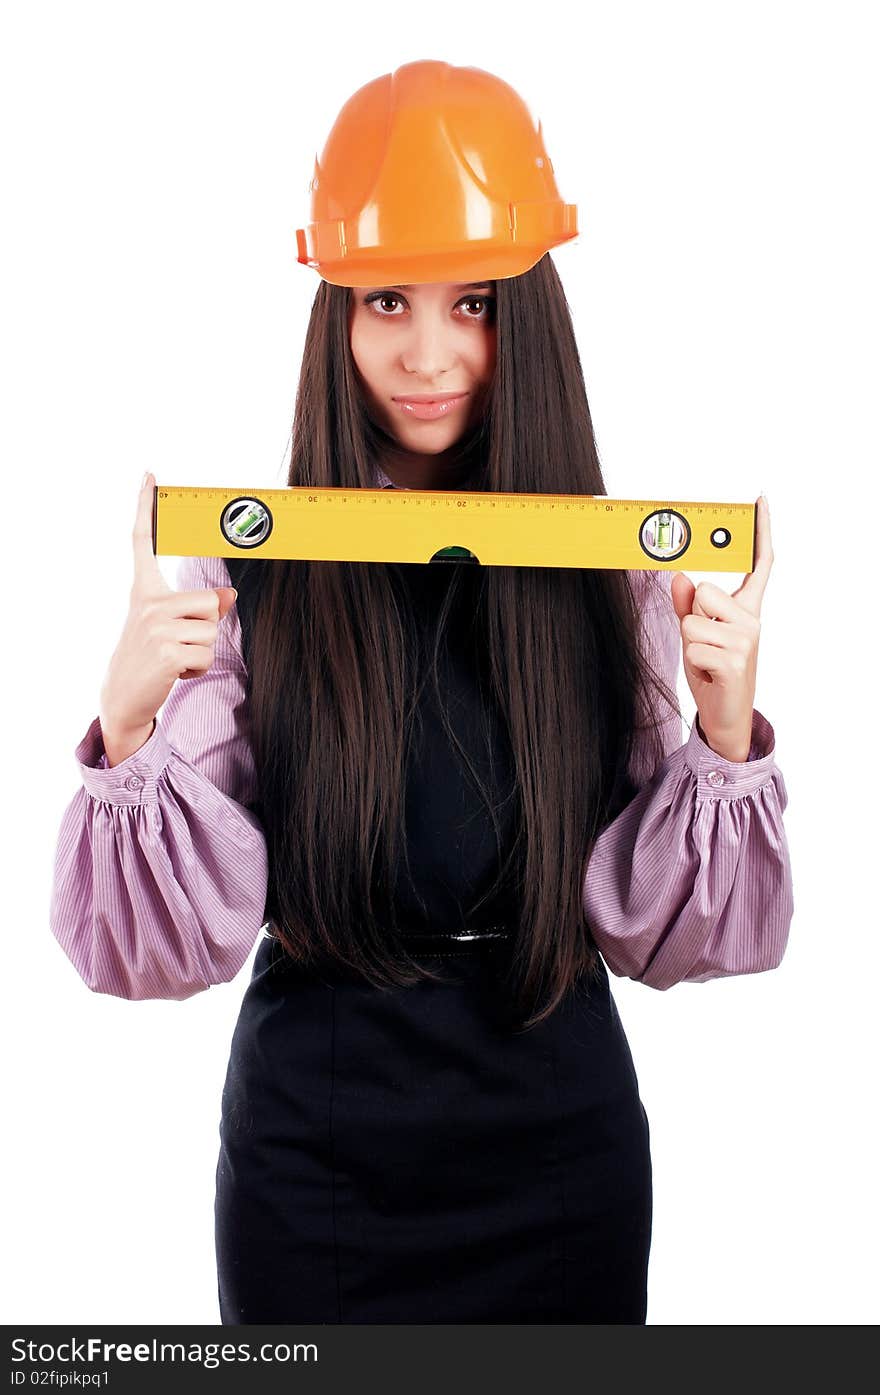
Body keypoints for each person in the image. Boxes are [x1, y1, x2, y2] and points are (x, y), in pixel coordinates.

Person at [49, 60, 794, 1324]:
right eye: (386, 299)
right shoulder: (249, 564)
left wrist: (723, 731)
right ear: (332, 315)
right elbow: (151, 959)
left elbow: (683, 944)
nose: (430, 351)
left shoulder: (611, 573)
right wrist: (125, 727)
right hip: (314, 1147)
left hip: (558, 1135)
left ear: (534, 318)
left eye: (478, 304)